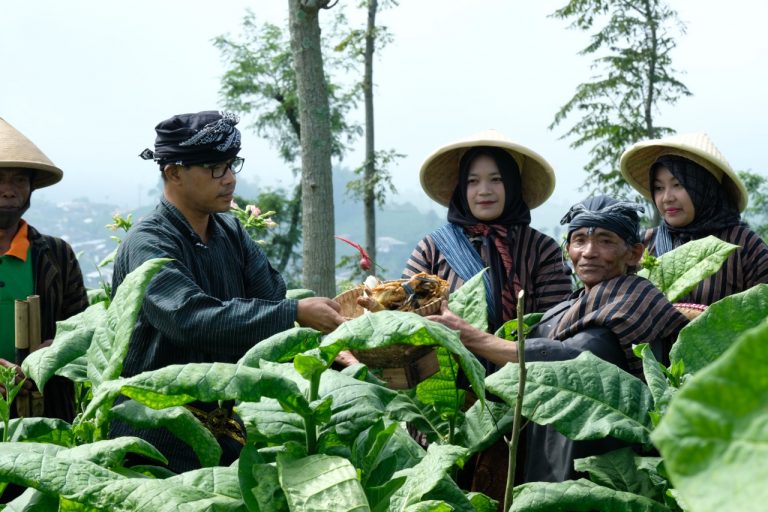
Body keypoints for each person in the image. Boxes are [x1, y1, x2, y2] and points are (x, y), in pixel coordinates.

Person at [111, 111, 349, 472]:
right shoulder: (149, 243)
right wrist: (295, 312)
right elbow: (189, 318)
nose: (230, 179)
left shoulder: (230, 232)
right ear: (173, 172)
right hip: (157, 436)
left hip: (225, 433)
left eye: (231, 165)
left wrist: (336, 352)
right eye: (215, 168)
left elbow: (270, 301)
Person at [427, 195, 688, 502]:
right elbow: (507, 378)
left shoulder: (640, 302)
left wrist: (475, 338)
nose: (589, 252)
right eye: (579, 240)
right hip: (545, 468)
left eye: (605, 241)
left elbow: (578, 358)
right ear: (568, 249)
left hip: (604, 479)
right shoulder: (565, 309)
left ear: (634, 253)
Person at [403, 130, 572, 343]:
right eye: (472, 181)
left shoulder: (541, 249)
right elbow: (404, 314)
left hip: (523, 371)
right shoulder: (432, 248)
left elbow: (556, 328)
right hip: (450, 371)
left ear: (512, 184)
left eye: (496, 179)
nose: (484, 190)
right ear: (462, 187)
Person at [0, 117, 88, 421]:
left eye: (19, 180)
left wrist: (54, 350)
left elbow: (82, 327)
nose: (9, 190)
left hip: (44, 410)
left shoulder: (56, 255)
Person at [620, 132, 768, 305]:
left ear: (704, 187)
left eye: (678, 184)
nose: (667, 197)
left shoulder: (744, 244)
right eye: (659, 187)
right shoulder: (644, 244)